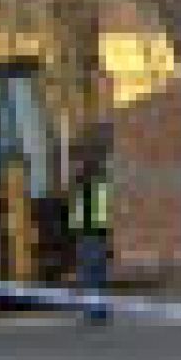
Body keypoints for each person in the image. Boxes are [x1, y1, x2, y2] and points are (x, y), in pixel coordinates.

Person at [70, 132, 111, 325]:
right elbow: (103, 212)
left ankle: (93, 313)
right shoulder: (100, 183)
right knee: (98, 276)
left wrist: (76, 229)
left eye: (76, 161)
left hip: (89, 234)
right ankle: (100, 311)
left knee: (89, 276)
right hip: (98, 234)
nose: (74, 166)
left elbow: (81, 213)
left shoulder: (84, 185)